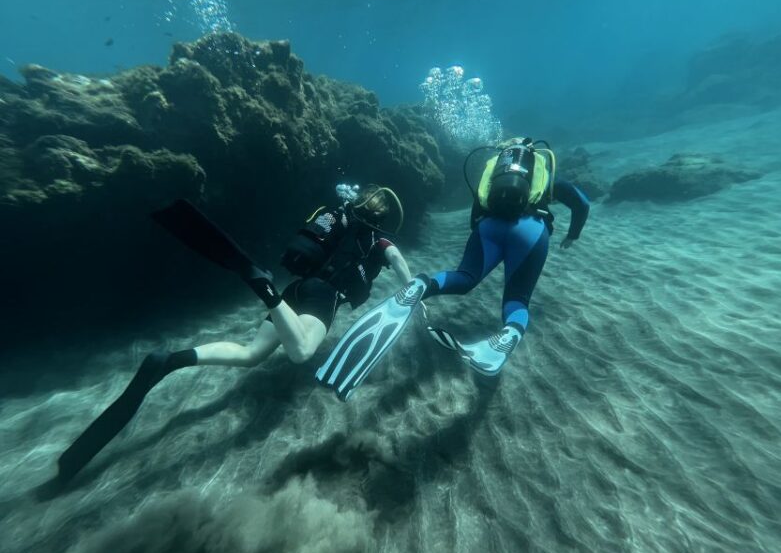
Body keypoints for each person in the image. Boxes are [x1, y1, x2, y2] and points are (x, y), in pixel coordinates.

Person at [57, 184, 413, 482]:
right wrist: (414, 291)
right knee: (302, 351)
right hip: (323, 296)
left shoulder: (341, 217)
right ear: (384, 217)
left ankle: (171, 360)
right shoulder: (378, 239)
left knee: (250, 354)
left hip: (297, 289)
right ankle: (264, 289)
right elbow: (397, 261)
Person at [316, 138, 589, 400]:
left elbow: (475, 218)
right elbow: (582, 203)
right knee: (517, 298)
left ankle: (421, 285)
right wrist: (572, 235)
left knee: (465, 277)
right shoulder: (542, 174)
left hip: (489, 228)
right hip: (530, 230)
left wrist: (490, 238)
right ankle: (510, 332)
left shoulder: (493, 176)